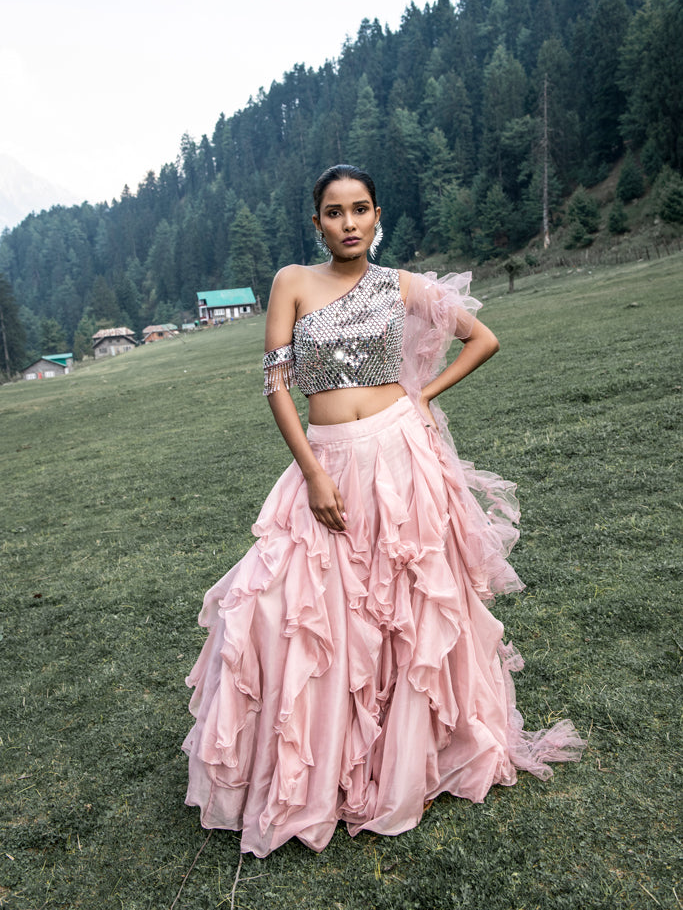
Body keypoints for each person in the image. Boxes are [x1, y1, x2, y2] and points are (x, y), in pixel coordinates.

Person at [183, 164, 584, 858]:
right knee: (296, 605)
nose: (347, 223)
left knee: (409, 605)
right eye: (333, 212)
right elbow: (277, 387)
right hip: (328, 458)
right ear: (317, 223)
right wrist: (311, 472)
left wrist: (422, 395)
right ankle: (321, 769)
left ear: (376, 217)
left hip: (400, 456)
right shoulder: (292, 282)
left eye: (359, 210)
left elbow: (481, 338)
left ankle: (413, 757)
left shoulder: (399, 286)